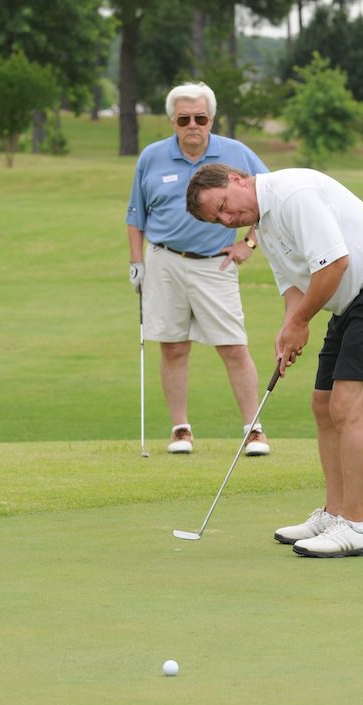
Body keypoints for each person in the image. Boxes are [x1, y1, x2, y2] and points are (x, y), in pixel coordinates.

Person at [186, 162, 363, 558]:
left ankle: (356, 527)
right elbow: (293, 285)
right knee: (323, 405)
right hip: (352, 301)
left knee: (347, 407)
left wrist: (301, 322)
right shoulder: (264, 226)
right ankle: (334, 514)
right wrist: (288, 329)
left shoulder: (291, 194)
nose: (227, 218)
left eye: (223, 205)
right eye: (218, 219)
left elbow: (334, 262)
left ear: (236, 179)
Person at [126, 82, 270, 456]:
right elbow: (135, 215)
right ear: (173, 121)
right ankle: (180, 430)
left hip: (214, 263)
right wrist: (136, 263)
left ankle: (253, 429)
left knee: (233, 347)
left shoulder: (235, 153)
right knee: (173, 347)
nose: (193, 125)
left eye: (201, 118)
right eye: (185, 119)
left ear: (211, 119)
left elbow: (270, 199)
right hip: (163, 261)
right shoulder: (151, 157)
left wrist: (248, 244)